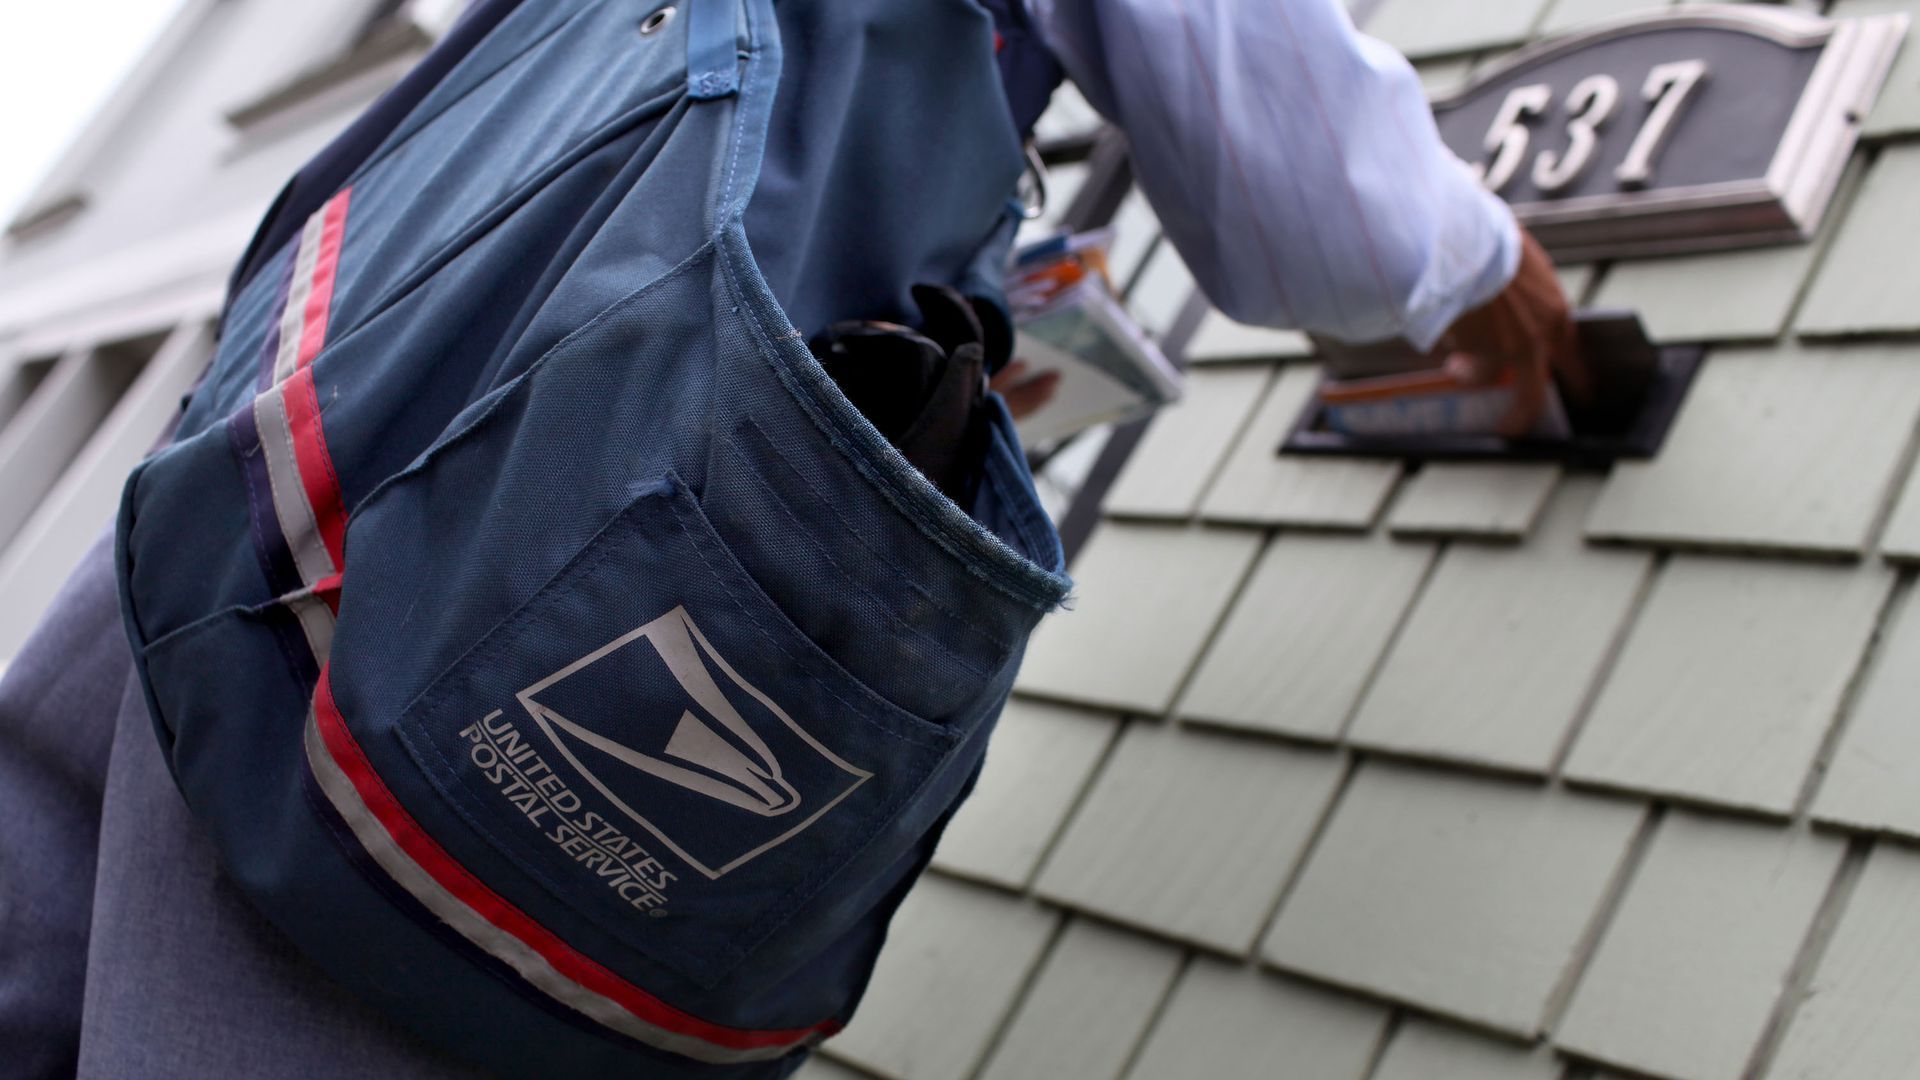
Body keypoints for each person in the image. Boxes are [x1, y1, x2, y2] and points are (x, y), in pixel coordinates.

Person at [0, 1, 1576, 1077]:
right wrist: (1489, 269)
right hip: (557, 494)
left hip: (335, 360)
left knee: (49, 927)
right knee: (368, 959)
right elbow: (1314, 203)